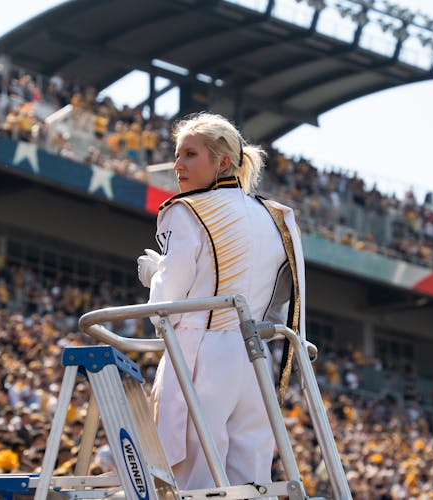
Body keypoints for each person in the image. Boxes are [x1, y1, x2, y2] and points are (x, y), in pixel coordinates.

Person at [137, 112, 306, 490]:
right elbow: (283, 306)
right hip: (255, 357)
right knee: (250, 480)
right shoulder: (278, 217)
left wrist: (154, 274)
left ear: (223, 161)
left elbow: (164, 304)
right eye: (177, 155)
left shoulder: (188, 210)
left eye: (191, 154)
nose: (178, 165)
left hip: (201, 351)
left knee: (193, 479)